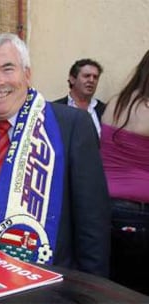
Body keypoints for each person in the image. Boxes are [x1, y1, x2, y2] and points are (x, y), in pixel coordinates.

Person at [0, 33, 110, 277]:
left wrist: (89, 292)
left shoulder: (71, 126)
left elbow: (93, 226)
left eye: (7, 68)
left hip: (46, 287)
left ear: (27, 74)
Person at [100, 50, 149, 294]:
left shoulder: (116, 102)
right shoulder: (146, 108)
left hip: (107, 205)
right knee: (137, 287)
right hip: (139, 213)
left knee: (114, 283)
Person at [53, 58, 105, 136]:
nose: (91, 80)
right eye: (86, 76)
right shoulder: (55, 109)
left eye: (95, 77)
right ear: (72, 79)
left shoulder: (104, 110)